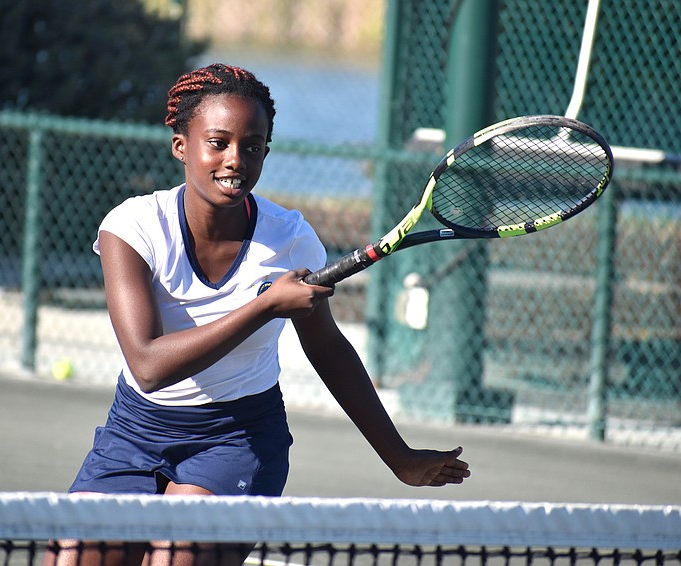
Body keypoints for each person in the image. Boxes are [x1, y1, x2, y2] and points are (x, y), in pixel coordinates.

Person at [47, 63, 470, 566]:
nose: (235, 159)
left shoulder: (290, 239)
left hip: (236, 435)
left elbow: (330, 351)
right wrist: (264, 305)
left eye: (252, 146)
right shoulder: (133, 226)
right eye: (218, 142)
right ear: (181, 145)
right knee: (74, 555)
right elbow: (148, 366)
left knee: (175, 556)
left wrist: (399, 458)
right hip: (135, 430)